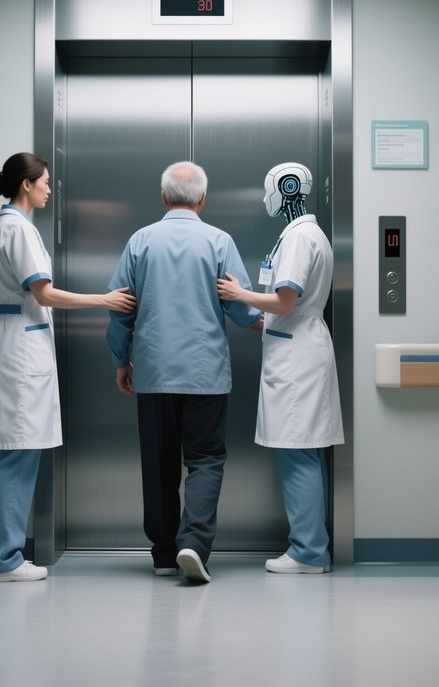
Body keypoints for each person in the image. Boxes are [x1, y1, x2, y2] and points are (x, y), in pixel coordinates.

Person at [0, 152, 135, 583]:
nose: (49, 188)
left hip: (2, 340)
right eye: (45, 181)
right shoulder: (19, 231)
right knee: (18, 456)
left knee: (0, 457)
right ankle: (4, 561)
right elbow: (43, 294)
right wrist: (104, 300)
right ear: (26, 185)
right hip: (20, 349)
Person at [106, 161, 261, 584]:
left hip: (153, 372)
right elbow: (240, 305)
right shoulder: (219, 241)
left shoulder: (140, 241)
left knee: (158, 462)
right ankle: (193, 542)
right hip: (205, 372)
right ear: (203, 199)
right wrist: (263, 321)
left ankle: (162, 553)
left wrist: (122, 360)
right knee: (206, 459)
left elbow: (119, 307)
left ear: (163, 197)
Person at [217, 162, 344, 574]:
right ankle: (311, 548)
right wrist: (260, 318)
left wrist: (241, 293)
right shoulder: (303, 234)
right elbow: (287, 306)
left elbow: (286, 300)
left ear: (287, 188)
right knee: (302, 451)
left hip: (298, 356)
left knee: (297, 451)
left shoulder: (300, 237)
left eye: (267, 188)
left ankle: (307, 552)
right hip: (297, 346)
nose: (263, 198)